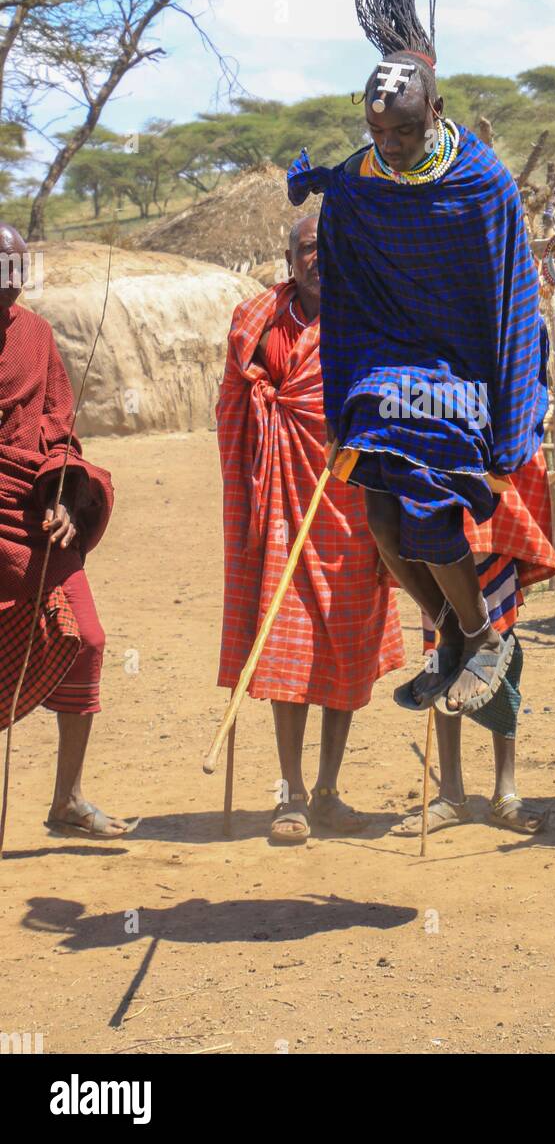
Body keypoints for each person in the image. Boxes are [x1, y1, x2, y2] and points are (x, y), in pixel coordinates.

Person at [286, 0, 547, 725]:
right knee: (386, 527)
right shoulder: (357, 188)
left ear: (437, 110)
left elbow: (509, 295)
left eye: (405, 129)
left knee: (435, 516)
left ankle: (489, 638)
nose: (391, 145)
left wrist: (511, 410)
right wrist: (341, 393)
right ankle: (449, 635)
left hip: (461, 374)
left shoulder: (480, 182)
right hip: (384, 372)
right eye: (378, 133)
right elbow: (349, 293)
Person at [216, 211, 405, 844]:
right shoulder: (257, 319)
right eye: (306, 249)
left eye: (328, 248)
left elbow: (394, 401)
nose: (317, 258)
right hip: (278, 500)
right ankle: (290, 792)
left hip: (351, 503)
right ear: (289, 256)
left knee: (346, 648)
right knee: (285, 643)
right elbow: (232, 404)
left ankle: (329, 788)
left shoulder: (370, 319)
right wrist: (266, 420)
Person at [0, 223, 130, 838]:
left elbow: (59, 431)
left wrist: (64, 500)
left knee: (90, 639)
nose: (11, 278)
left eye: (18, 266)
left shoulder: (37, 336)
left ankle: (67, 800)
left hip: (36, 523)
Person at [393, 454, 555, 837]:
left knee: (499, 650)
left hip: (489, 514)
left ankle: (506, 793)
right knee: (445, 653)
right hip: (432, 521)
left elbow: (519, 435)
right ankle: (451, 795)